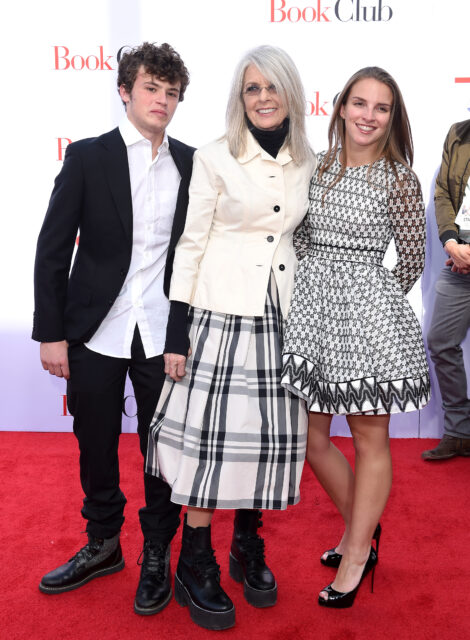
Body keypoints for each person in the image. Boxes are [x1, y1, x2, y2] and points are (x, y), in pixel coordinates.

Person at [145, 45, 315, 630]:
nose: (263, 98)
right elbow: (188, 246)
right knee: (211, 444)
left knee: (266, 439)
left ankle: (247, 541)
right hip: (220, 313)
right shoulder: (216, 157)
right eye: (251, 88)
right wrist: (177, 333)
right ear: (239, 98)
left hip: (281, 316)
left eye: (272, 87)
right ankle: (195, 560)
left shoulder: (309, 160)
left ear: (290, 92)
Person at [32, 42, 195, 615]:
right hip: (95, 331)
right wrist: (52, 334)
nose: (162, 101)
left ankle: (156, 551)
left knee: (163, 454)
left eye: (172, 93)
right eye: (152, 88)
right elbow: (51, 251)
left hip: (162, 334)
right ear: (125, 91)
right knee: (95, 444)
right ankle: (103, 542)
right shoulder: (87, 157)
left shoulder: (193, 164)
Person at [281, 66, 430, 608]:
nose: (369, 115)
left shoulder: (400, 180)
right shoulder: (313, 167)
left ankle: (356, 549)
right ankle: (362, 532)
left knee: (370, 440)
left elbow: (412, 259)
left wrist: (372, 301)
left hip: (370, 324)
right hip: (315, 317)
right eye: (359, 103)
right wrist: (318, 293)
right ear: (341, 107)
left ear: (393, 118)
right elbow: (295, 239)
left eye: (381, 107)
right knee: (311, 439)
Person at [422, 120, 470, 460]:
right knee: (440, 341)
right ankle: (459, 431)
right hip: (459, 256)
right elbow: (442, 191)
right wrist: (451, 242)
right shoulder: (459, 133)